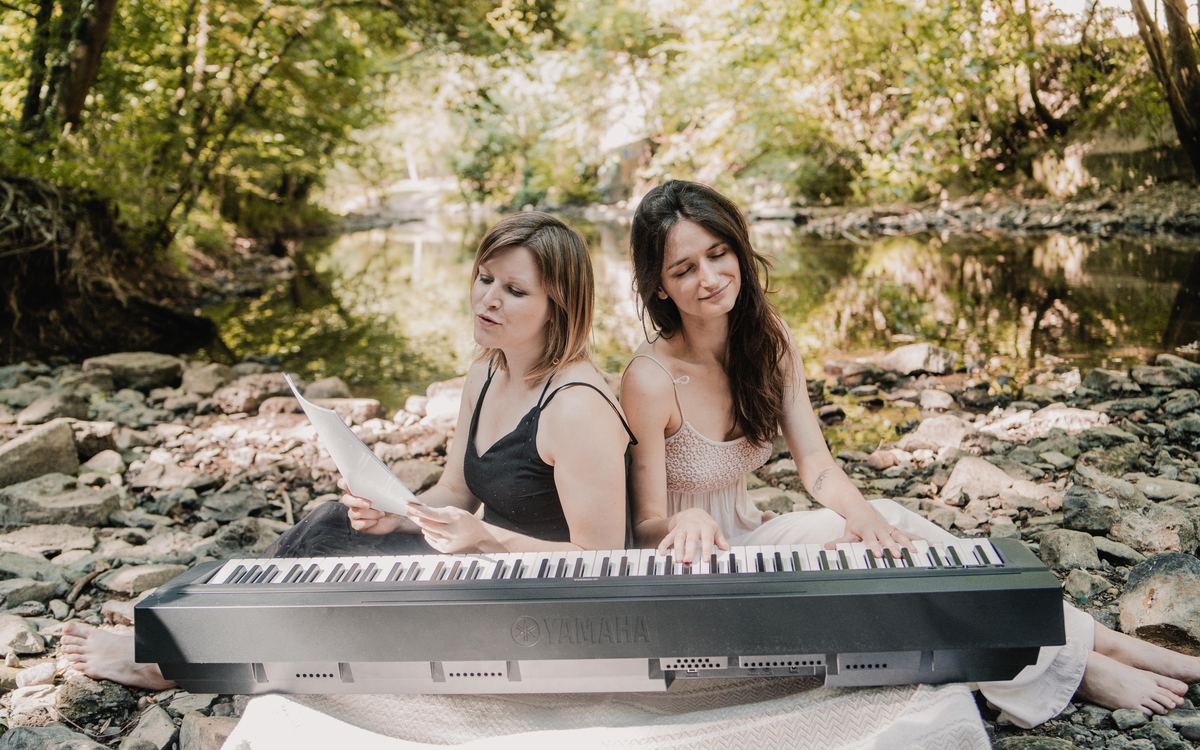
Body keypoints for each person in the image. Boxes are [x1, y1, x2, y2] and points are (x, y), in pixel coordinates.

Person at [619, 179, 1200, 727]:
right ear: (660, 286)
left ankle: (1095, 644)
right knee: (888, 549)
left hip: (756, 540)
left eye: (719, 253)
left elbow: (818, 468)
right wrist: (685, 517)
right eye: (684, 268)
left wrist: (864, 517)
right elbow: (643, 530)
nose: (710, 276)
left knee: (889, 531)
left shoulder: (766, 339)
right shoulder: (651, 377)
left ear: (740, 249)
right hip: (692, 573)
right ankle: (1085, 663)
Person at [61, 211, 635, 688]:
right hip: (479, 561)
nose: (488, 300)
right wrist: (396, 513)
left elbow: (604, 563)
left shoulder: (577, 406)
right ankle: (193, 638)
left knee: (329, 549)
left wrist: (485, 536)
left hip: (542, 601)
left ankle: (177, 659)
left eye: (514, 290)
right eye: (485, 278)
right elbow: (456, 490)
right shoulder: (488, 369)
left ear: (558, 303)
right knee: (336, 522)